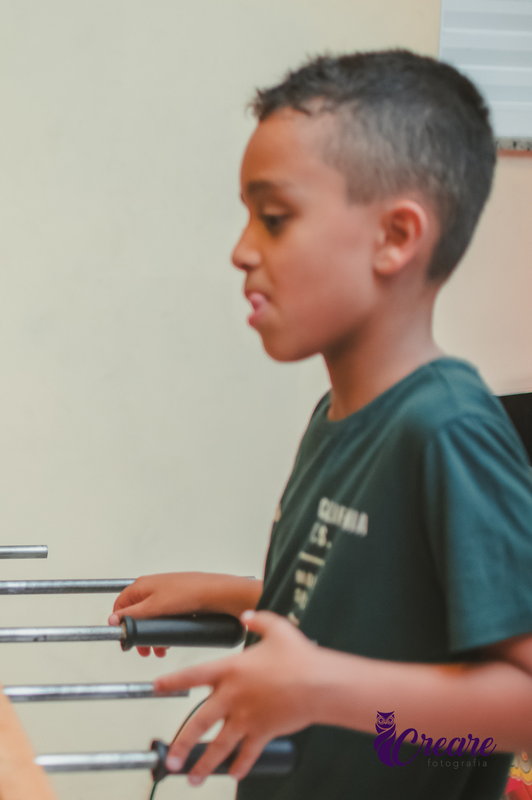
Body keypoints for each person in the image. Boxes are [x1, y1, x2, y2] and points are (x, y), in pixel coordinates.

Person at [109, 51, 532, 799]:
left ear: (396, 238)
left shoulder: (447, 429)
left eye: (274, 218)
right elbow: (379, 608)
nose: (242, 250)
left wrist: (321, 693)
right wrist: (235, 593)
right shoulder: (336, 415)